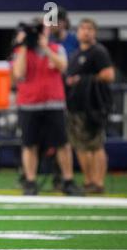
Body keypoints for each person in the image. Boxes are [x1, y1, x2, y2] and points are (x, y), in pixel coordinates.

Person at [11, 18, 82, 196]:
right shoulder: (21, 51)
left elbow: (63, 66)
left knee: (62, 143)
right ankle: (30, 181)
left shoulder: (57, 49)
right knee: (29, 144)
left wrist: (45, 47)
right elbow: (19, 74)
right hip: (29, 104)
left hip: (53, 103)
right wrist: (26, 46)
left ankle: (68, 180)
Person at [66, 18, 115, 194]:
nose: (86, 32)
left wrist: (86, 79)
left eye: (90, 28)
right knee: (80, 145)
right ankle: (88, 181)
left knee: (96, 145)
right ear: (77, 32)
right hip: (77, 106)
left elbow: (109, 75)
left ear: (95, 32)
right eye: (83, 28)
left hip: (94, 105)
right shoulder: (76, 54)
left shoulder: (98, 52)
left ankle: (98, 181)